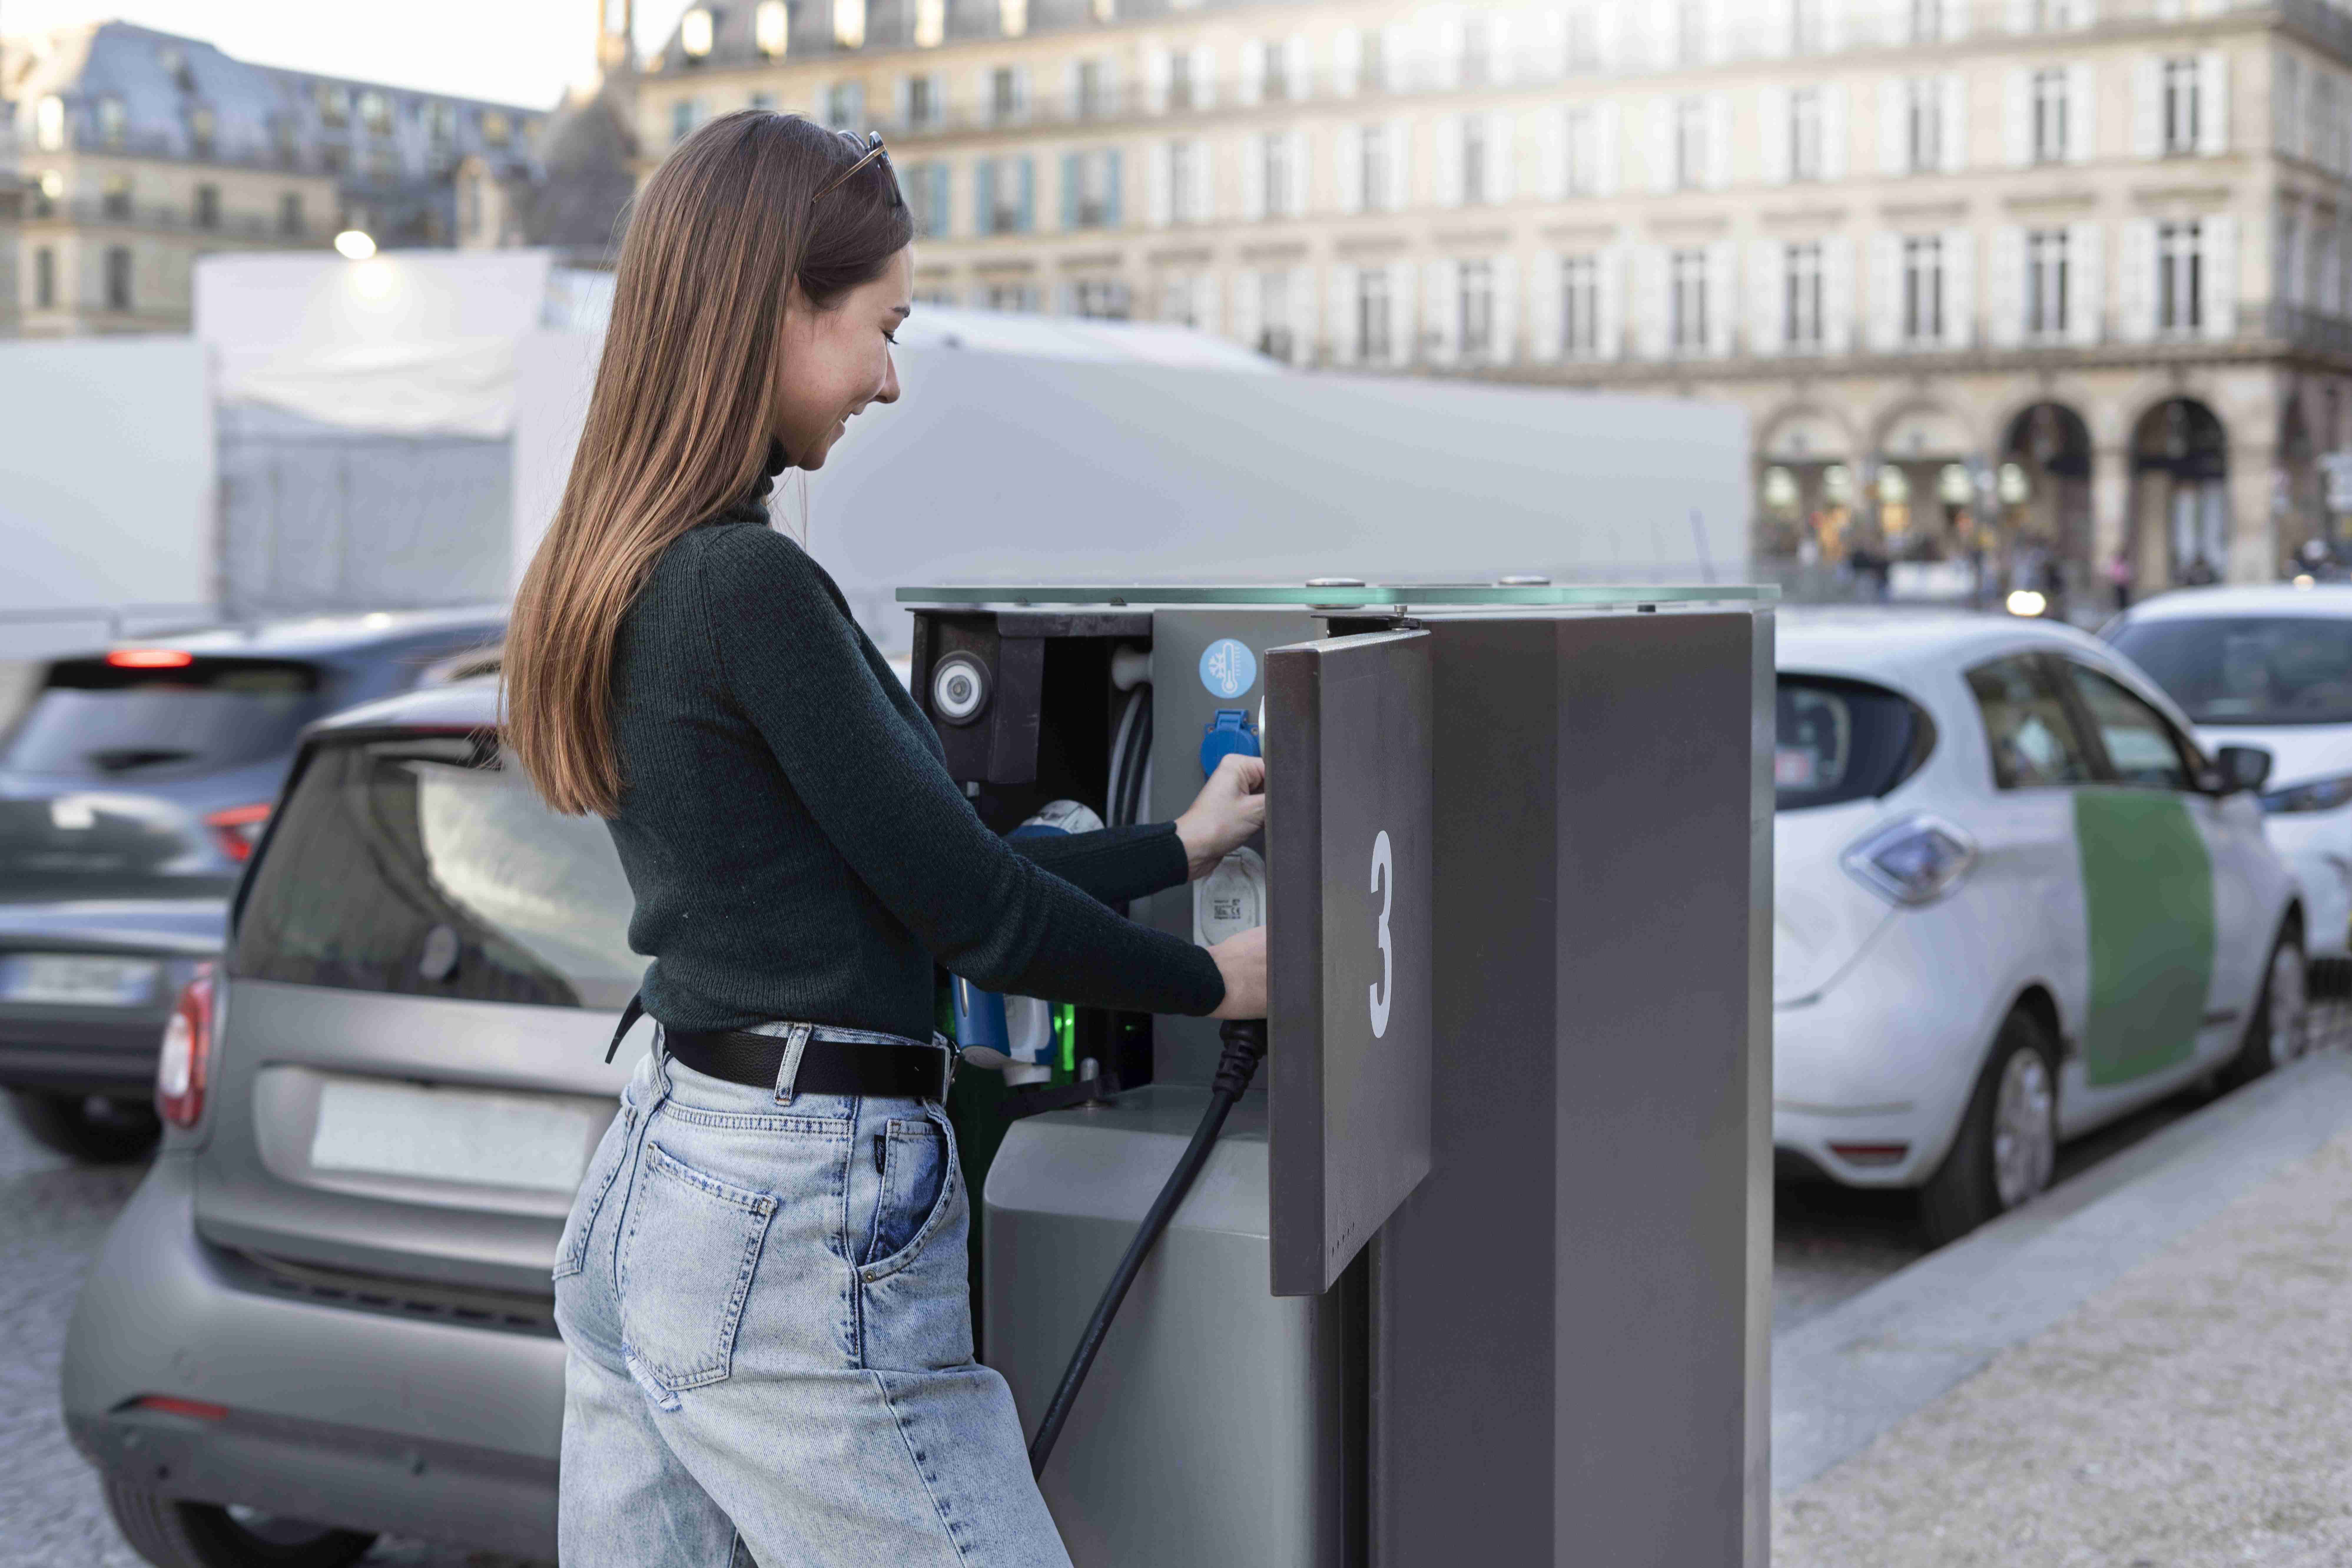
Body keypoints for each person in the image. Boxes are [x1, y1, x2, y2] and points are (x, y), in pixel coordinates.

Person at [501, 113, 1270, 1567]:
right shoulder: (748, 586)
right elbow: (978, 915)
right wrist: (1221, 983)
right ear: (775, 305)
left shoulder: (622, 570)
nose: (892, 379)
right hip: (791, 1223)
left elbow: (920, 878)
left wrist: (1175, 841)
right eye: (882, 325)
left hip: (663, 1180)